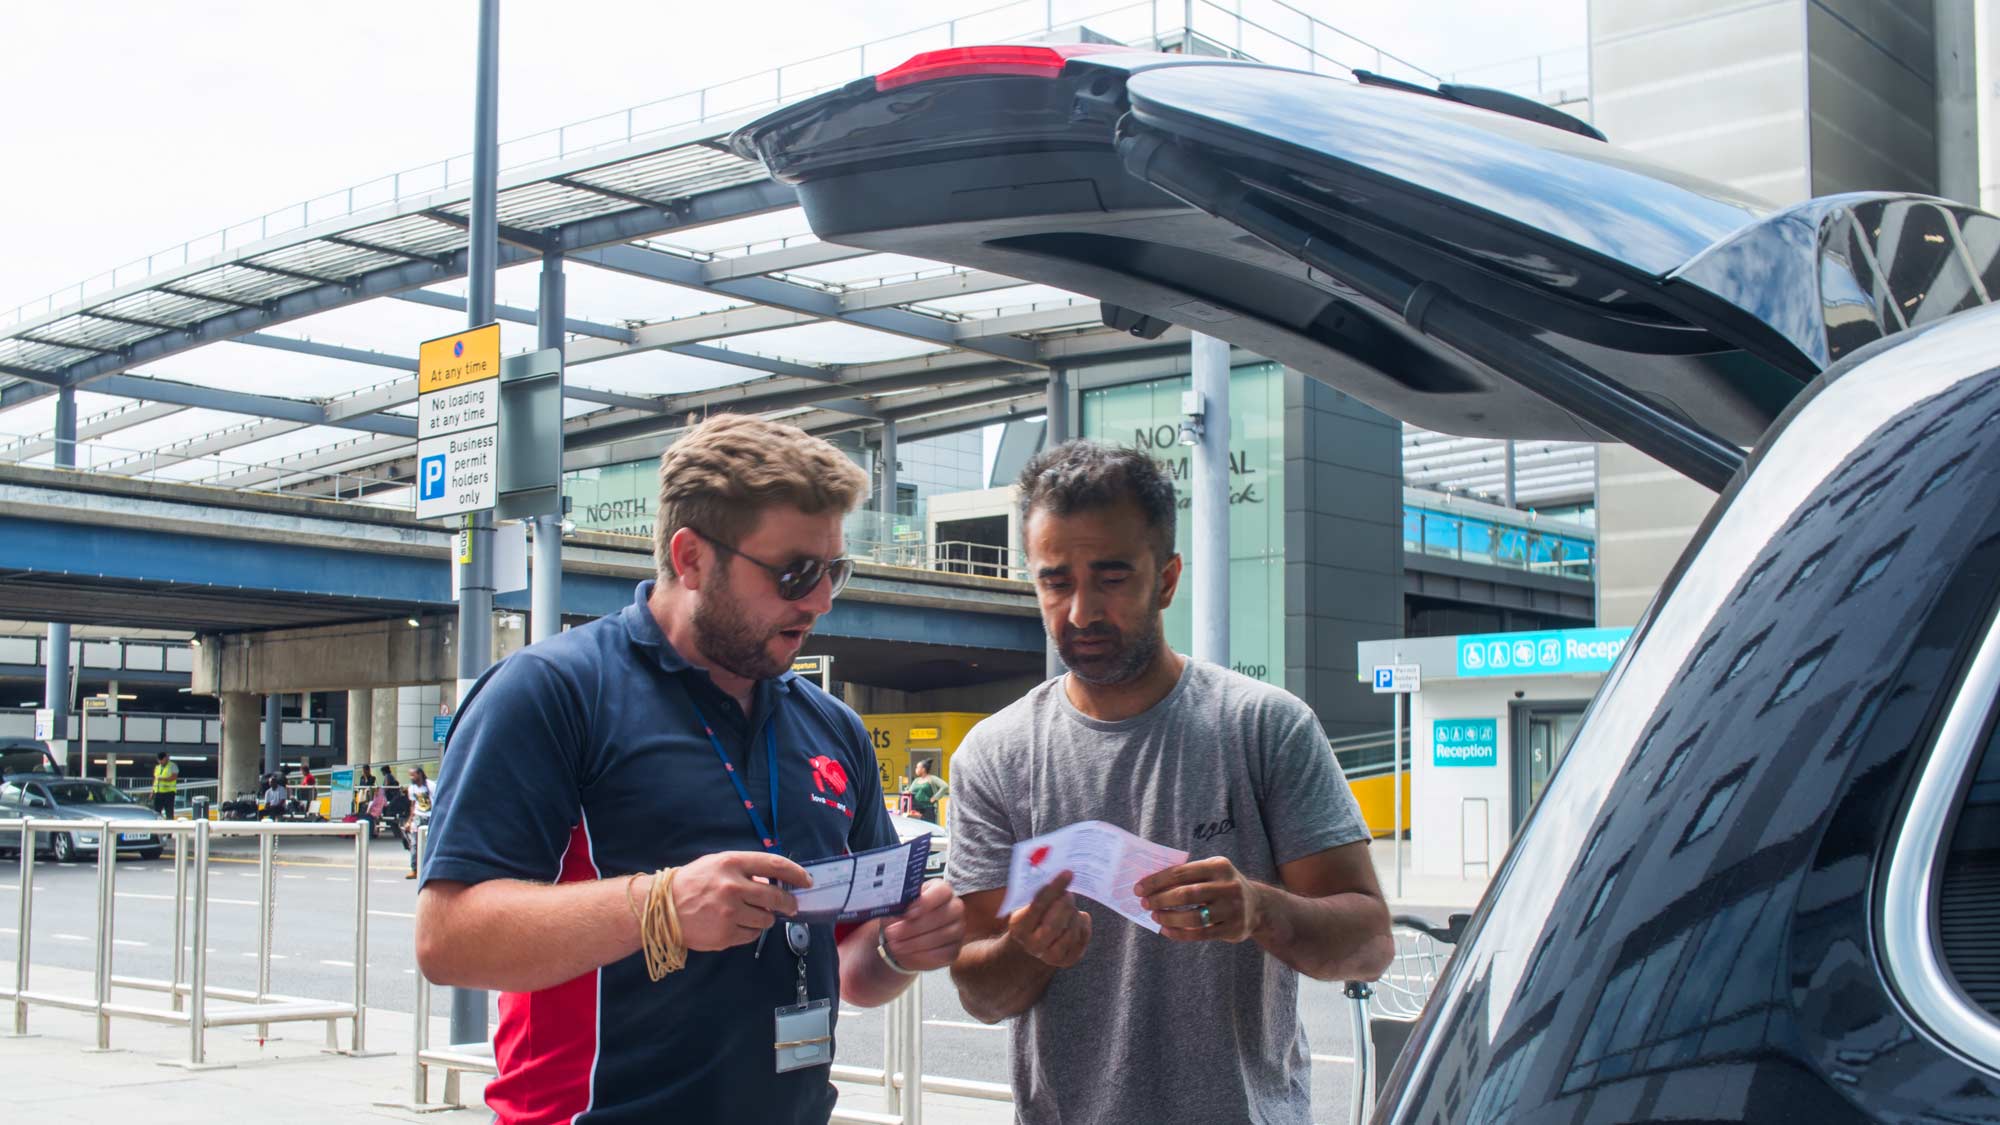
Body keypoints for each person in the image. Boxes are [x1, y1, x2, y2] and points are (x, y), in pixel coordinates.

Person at [415, 414, 967, 1125]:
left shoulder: (832, 727)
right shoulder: (553, 692)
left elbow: (852, 969)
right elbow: (446, 938)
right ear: (691, 557)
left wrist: (898, 948)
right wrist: (660, 907)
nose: (822, 600)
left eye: (835, 570)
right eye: (795, 572)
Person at [945, 440, 1395, 1125]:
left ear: (1167, 578)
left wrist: (1260, 909)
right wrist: (1024, 949)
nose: (1081, 611)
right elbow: (978, 991)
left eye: (1112, 576)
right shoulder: (995, 754)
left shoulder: (1265, 727)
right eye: (1055, 580)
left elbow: (1370, 943)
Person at [403, 766, 434, 878]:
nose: (411, 777)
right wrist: (409, 821)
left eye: (413, 775)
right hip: (418, 817)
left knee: (431, 843)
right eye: (410, 775)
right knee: (414, 844)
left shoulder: (430, 786)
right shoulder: (412, 788)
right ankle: (414, 869)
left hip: (430, 817)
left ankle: (429, 868)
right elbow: (413, 805)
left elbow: (437, 801)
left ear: (419, 774)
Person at [901, 759, 948, 824]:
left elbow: (945, 786)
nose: (916, 769)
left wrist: (935, 797)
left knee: (929, 828)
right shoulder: (916, 780)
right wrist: (907, 792)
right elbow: (910, 791)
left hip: (928, 810)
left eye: (917, 767)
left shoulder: (932, 779)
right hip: (916, 811)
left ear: (923, 769)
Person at [150, 752, 179, 819]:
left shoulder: (173, 766)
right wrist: (152, 791)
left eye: (162, 760)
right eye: (159, 760)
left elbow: (173, 777)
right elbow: (155, 779)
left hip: (169, 793)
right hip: (158, 792)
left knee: (169, 811)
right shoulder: (157, 767)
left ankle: (170, 826)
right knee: (156, 812)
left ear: (166, 758)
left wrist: (162, 779)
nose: (161, 762)